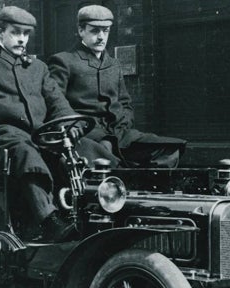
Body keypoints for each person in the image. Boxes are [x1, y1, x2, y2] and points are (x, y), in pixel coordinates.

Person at [0, 6, 116, 242]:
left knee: (87, 148)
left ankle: (103, 209)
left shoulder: (38, 68)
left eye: (26, 33)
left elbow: (57, 101)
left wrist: (72, 124)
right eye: (15, 32)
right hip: (6, 135)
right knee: (25, 152)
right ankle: (49, 220)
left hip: (40, 135)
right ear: (1, 32)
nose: (22, 39)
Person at [48, 5, 186, 168]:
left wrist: (124, 123)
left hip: (119, 133)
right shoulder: (64, 61)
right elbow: (54, 102)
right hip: (89, 134)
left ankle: (148, 185)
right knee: (104, 156)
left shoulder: (113, 64)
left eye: (105, 31)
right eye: (95, 31)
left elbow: (125, 103)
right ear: (81, 30)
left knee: (168, 149)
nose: (101, 37)